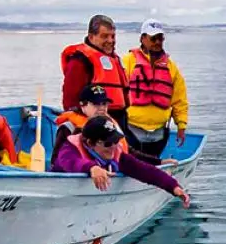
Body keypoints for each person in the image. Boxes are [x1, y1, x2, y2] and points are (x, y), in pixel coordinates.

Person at [52, 115, 191, 208]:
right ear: (90, 143)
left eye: (115, 141)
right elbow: (71, 162)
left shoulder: (116, 154)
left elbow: (144, 170)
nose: (113, 147)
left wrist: (174, 187)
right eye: (107, 143)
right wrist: (92, 168)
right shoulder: (69, 149)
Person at [121, 19, 189, 162]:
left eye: (160, 38)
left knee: (153, 165)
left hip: (159, 133)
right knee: (134, 164)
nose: (157, 42)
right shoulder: (127, 62)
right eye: (153, 38)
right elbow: (116, 92)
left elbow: (179, 99)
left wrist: (181, 125)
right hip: (131, 129)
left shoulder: (171, 67)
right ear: (142, 38)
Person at [61, 15, 129, 133]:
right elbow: (71, 103)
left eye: (112, 36)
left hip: (117, 124)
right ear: (91, 37)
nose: (110, 40)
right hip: (95, 129)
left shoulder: (115, 60)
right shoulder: (80, 61)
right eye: (105, 36)